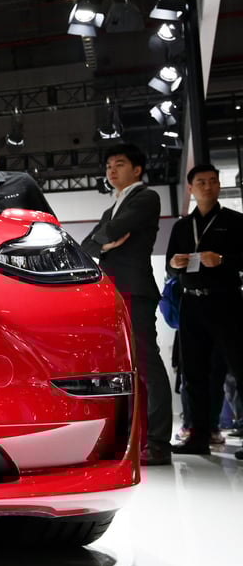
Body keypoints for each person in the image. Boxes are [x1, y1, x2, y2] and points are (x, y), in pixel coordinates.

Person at [80, 143, 172, 465]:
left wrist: (104, 240)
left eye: (119, 164)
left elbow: (111, 232)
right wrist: (105, 243)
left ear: (137, 170)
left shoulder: (146, 197)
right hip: (114, 291)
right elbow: (85, 244)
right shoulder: (111, 208)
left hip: (135, 288)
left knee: (146, 364)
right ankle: (141, 440)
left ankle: (159, 443)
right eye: (108, 166)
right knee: (126, 370)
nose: (112, 170)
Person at [165, 164, 243, 458]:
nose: (208, 186)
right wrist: (174, 264)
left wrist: (222, 259)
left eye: (213, 181)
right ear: (190, 188)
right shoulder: (182, 227)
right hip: (191, 303)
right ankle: (199, 435)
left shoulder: (235, 221)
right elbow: (168, 266)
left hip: (226, 301)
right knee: (194, 373)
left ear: (219, 185)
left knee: (238, 367)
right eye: (201, 182)